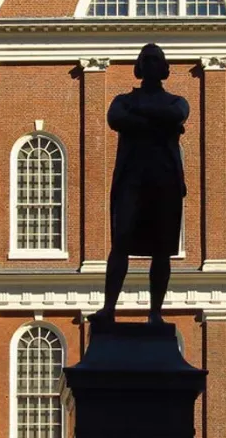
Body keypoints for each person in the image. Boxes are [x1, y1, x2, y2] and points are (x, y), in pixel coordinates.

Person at [91, 43, 189, 324]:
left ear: (165, 69)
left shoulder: (176, 100)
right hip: (131, 179)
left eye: (155, 59)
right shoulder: (123, 101)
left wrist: (141, 117)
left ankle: (155, 313)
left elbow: (178, 115)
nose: (149, 63)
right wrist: (162, 124)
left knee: (162, 248)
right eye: (145, 59)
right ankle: (109, 308)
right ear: (138, 68)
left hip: (166, 180)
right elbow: (115, 119)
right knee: (120, 242)